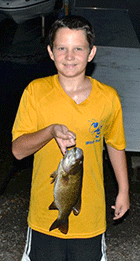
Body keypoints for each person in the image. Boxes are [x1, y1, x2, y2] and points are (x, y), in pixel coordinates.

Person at [12, 15, 130, 261]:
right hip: (45, 218)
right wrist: (50, 131)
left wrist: (124, 190)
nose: (69, 56)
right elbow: (18, 151)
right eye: (61, 48)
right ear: (50, 52)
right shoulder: (35, 92)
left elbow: (115, 145)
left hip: (91, 218)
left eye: (78, 48)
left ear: (91, 52)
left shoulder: (108, 97)